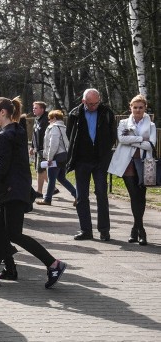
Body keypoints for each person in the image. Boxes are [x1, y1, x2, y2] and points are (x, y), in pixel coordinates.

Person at [0, 97, 66, 289]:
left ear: (3, 112)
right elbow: (9, 164)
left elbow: (2, 166)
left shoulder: (6, 135)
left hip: (12, 191)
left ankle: (54, 264)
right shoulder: (13, 132)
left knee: (14, 234)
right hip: (9, 190)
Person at [66, 88, 117, 241]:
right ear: (84, 101)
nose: (94, 106)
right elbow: (70, 135)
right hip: (82, 160)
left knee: (101, 194)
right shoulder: (74, 114)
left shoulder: (107, 112)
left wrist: (104, 149)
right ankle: (86, 230)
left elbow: (112, 134)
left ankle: (104, 230)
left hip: (101, 160)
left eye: (96, 103)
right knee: (81, 196)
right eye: (90, 104)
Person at [107, 94, 156, 245]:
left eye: (141, 107)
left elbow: (151, 145)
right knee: (134, 195)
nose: (138, 110)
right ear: (131, 108)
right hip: (127, 163)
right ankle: (141, 231)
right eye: (135, 107)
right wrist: (141, 139)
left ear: (145, 108)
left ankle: (136, 229)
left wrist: (132, 140)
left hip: (144, 162)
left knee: (141, 196)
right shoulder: (123, 123)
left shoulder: (151, 125)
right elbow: (122, 139)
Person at [37, 109, 76, 206]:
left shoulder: (54, 128)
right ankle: (77, 195)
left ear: (54, 118)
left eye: (49, 119)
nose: (48, 121)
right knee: (61, 178)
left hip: (56, 156)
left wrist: (49, 158)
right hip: (63, 156)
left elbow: (53, 144)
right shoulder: (63, 127)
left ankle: (47, 199)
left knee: (51, 178)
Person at [29, 101, 49, 198]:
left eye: (36, 108)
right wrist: (32, 147)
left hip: (43, 150)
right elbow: (34, 134)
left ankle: (39, 192)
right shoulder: (38, 119)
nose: (34, 109)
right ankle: (53, 188)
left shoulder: (46, 120)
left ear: (42, 109)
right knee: (41, 169)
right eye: (33, 108)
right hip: (38, 149)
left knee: (40, 170)